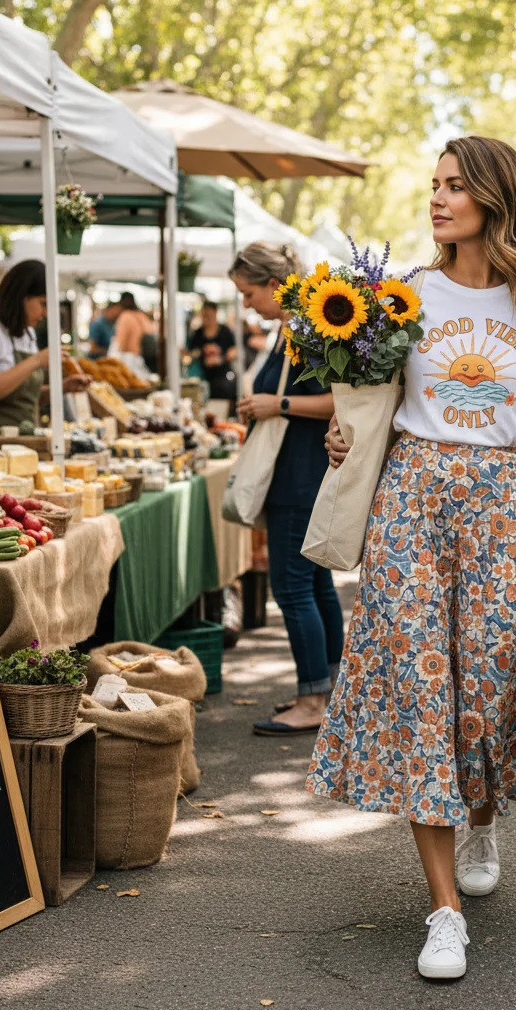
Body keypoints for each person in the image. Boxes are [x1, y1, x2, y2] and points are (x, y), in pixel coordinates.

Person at [309, 136, 516, 980]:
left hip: (506, 500)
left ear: (498, 199)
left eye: (456, 186)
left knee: (495, 677)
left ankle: (482, 810)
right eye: (433, 186)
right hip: (412, 495)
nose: (437, 200)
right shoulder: (401, 298)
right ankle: (444, 912)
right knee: (421, 684)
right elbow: (365, 400)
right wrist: (343, 431)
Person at [229, 242, 343, 736]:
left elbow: (339, 401)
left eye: (250, 293)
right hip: (299, 472)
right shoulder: (290, 330)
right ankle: (329, 691)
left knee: (293, 589)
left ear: (275, 286)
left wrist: (278, 406)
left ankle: (314, 699)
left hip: (299, 475)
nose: (246, 304)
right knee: (314, 586)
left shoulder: (307, 330)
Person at [0, 259, 89, 433]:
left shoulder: (26, 333)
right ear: (21, 297)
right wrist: (36, 361)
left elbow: (21, 398)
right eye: (43, 304)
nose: (46, 313)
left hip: (20, 442)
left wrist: (62, 387)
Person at [190, 300, 237, 403]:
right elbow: (192, 353)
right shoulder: (198, 333)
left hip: (223, 377)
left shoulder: (225, 331)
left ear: (215, 313)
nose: (206, 318)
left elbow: (234, 351)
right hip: (203, 377)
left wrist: (221, 358)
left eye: (209, 315)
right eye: (204, 315)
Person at [112, 292, 159, 375]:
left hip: (131, 359)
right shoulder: (141, 315)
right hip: (144, 358)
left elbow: (121, 342)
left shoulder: (125, 316)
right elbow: (152, 330)